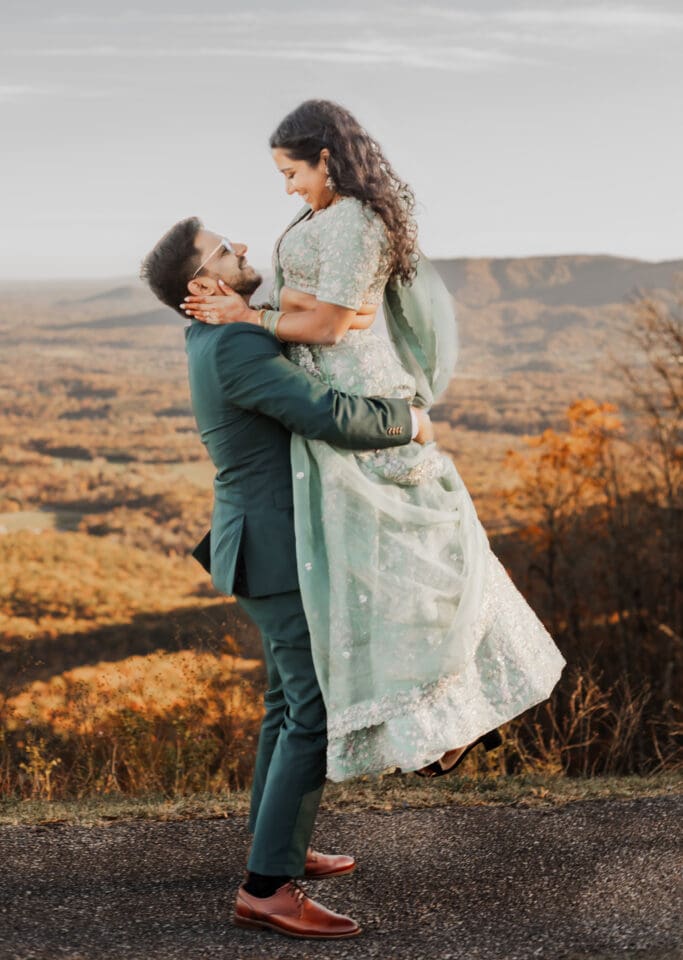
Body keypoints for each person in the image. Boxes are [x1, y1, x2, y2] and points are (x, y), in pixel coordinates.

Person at [182, 99, 567, 784]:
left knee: (417, 561)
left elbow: (329, 326)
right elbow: (325, 308)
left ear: (325, 158)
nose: (287, 187)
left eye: (291, 171)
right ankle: (435, 726)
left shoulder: (355, 219)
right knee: (373, 573)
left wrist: (253, 314)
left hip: (355, 392)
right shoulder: (321, 216)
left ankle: (455, 716)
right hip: (325, 390)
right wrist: (294, 311)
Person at [140, 217, 433, 940]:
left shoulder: (216, 333)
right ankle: (266, 889)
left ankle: (279, 846)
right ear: (203, 285)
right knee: (313, 709)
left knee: (285, 702)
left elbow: (324, 329)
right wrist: (411, 423)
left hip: (258, 545)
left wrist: (343, 310)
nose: (240, 245)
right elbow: (322, 412)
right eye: (221, 248)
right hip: (274, 551)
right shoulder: (234, 341)